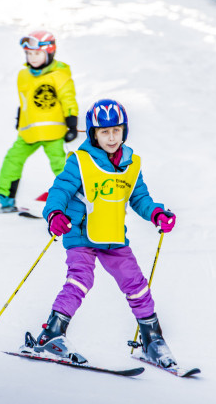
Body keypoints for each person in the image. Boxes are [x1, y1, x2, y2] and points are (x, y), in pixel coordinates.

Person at [23, 99, 178, 368]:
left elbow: (139, 198)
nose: (111, 137)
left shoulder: (131, 164)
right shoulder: (79, 161)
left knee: (136, 285)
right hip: (81, 233)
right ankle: (51, 334)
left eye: (116, 130)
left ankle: (152, 340)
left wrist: (156, 213)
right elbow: (59, 191)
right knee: (81, 280)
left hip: (113, 236)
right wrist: (55, 214)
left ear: (124, 131)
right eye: (104, 131)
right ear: (93, 133)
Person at [0, 30, 79, 211]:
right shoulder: (23, 75)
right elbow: (25, 100)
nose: (32, 57)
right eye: (29, 54)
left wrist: (72, 122)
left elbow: (68, 99)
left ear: (50, 52)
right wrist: (20, 117)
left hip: (53, 132)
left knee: (60, 165)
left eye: (37, 53)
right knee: (12, 159)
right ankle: (5, 197)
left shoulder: (59, 75)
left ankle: (74, 200)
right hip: (29, 132)